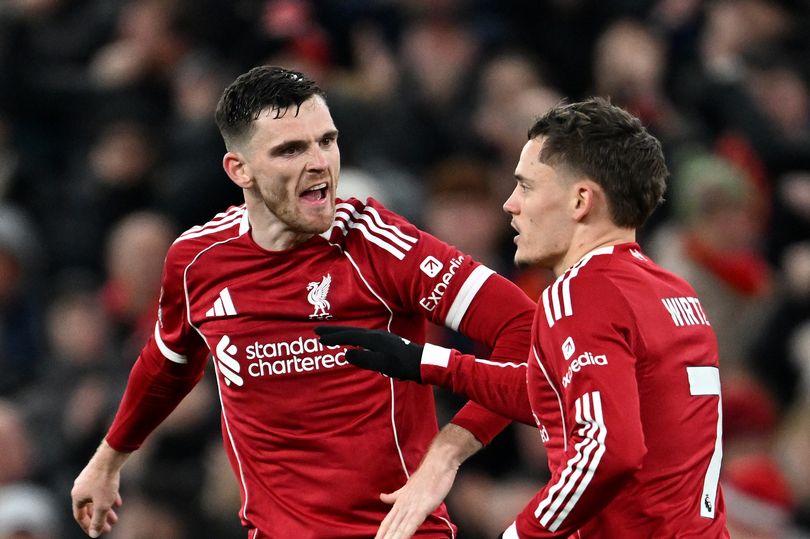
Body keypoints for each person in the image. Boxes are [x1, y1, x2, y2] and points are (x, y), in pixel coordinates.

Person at [69, 65, 536, 538]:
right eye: (291, 149)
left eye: (326, 141)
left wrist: (449, 451)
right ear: (239, 169)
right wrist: (108, 460)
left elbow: (530, 334)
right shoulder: (198, 262)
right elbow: (170, 362)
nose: (319, 162)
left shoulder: (380, 247)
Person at [317, 98, 730, 537]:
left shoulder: (581, 293)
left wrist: (520, 534)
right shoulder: (674, 293)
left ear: (580, 201)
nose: (510, 205)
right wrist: (427, 363)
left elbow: (610, 450)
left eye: (526, 187)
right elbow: (561, 396)